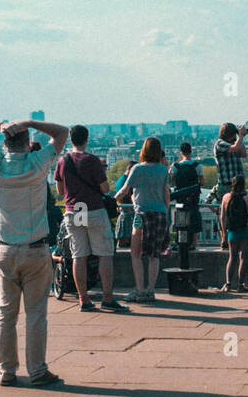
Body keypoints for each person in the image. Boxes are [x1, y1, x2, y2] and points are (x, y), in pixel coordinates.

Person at [0, 117, 68, 387]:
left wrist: (0, 125)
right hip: (36, 249)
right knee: (36, 314)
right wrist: (28, 122)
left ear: (4, 142)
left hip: (5, 250)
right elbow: (63, 132)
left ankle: (6, 370)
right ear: (28, 142)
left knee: (5, 313)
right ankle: (37, 371)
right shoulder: (38, 164)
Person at [54, 125, 125, 313]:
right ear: (86, 139)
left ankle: (83, 299)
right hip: (93, 210)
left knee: (79, 256)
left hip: (74, 210)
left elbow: (60, 191)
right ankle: (107, 298)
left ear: (71, 139)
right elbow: (105, 189)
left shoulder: (63, 161)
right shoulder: (92, 160)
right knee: (104, 254)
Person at [116, 137, 171, 303]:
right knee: (154, 255)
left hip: (141, 215)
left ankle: (139, 289)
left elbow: (125, 190)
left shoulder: (137, 169)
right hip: (160, 213)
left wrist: (114, 200)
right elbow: (166, 193)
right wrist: (166, 213)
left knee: (136, 254)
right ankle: (151, 290)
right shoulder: (163, 169)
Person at [220, 176, 248, 291]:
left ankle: (228, 284)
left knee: (232, 257)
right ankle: (241, 284)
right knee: (243, 257)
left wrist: (224, 234)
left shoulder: (226, 197)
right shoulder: (247, 198)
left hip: (232, 231)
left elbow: (222, 217)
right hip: (246, 229)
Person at [168, 145, 202, 251]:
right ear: (191, 152)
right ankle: (193, 244)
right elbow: (202, 182)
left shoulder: (176, 166)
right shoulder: (197, 165)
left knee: (181, 220)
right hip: (193, 198)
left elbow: (172, 182)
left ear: (181, 152)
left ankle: (182, 242)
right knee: (194, 218)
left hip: (180, 199)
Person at [214, 122, 248, 191]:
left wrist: (240, 137)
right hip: (227, 184)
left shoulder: (235, 143)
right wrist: (240, 136)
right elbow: (235, 148)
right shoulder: (219, 143)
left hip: (238, 184)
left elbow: (243, 154)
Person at [113, 158, 138, 248]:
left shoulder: (122, 180)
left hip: (126, 213)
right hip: (127, 213)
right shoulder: (125, 181)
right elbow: (124, 196)